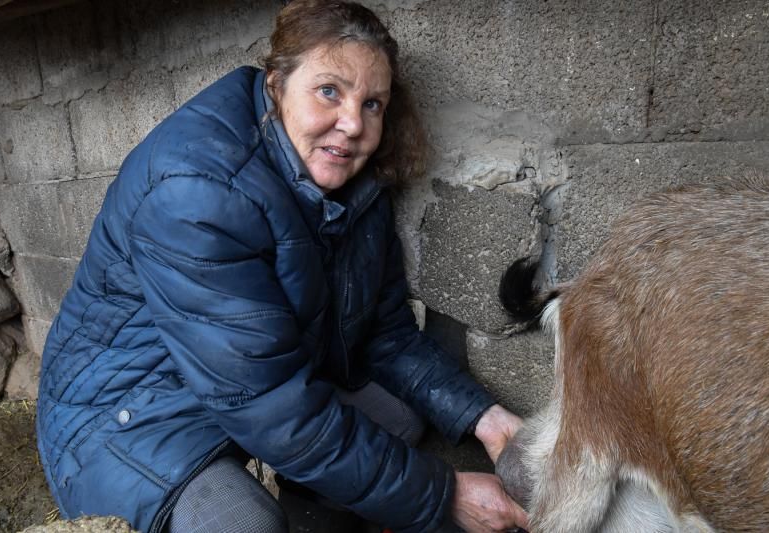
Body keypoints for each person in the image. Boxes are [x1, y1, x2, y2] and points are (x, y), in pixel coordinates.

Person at [36, 1, 528, 532]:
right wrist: (443, 494)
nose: (352, 124)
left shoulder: (353, 185)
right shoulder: (196, 192)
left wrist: (488, 421)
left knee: (399, 417)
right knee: (245, 523)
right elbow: (271, 407)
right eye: (329, 91)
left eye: (373, 105)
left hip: (250, 380)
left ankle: (315, 520)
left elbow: (386, 336)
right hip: (128, 415)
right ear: (276, 83)